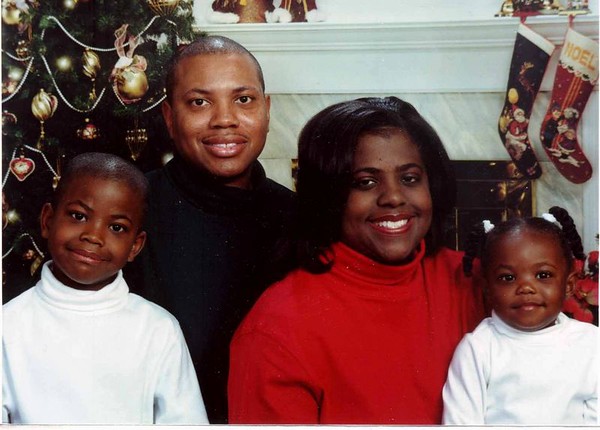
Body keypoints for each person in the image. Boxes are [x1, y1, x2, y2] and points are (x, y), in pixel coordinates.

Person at [228, 96, 486, 424]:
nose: (393, 197)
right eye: (365, 182)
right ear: (329, 196)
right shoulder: (276, 327)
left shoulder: (477, 279)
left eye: (409, 178)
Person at [123, 35, 296, 423]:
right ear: (169, 117)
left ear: (267, 110)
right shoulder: (129, 211)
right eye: (199, 102)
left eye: (244, 99)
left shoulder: (299, 217)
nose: (224, 119)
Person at [2, 153, 208, 425]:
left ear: (135, 245)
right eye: (78, 216)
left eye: (116, 227)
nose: (94, 236)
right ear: (48, 221)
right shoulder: (8, 325)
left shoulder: (158, 329)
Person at [443, 207, 598, 425]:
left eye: (543, 275)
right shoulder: (478, 349)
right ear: (487, 289)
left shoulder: (591, 343)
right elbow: (460, 423)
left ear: (569, 285)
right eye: (507, 278)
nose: (525, 287)